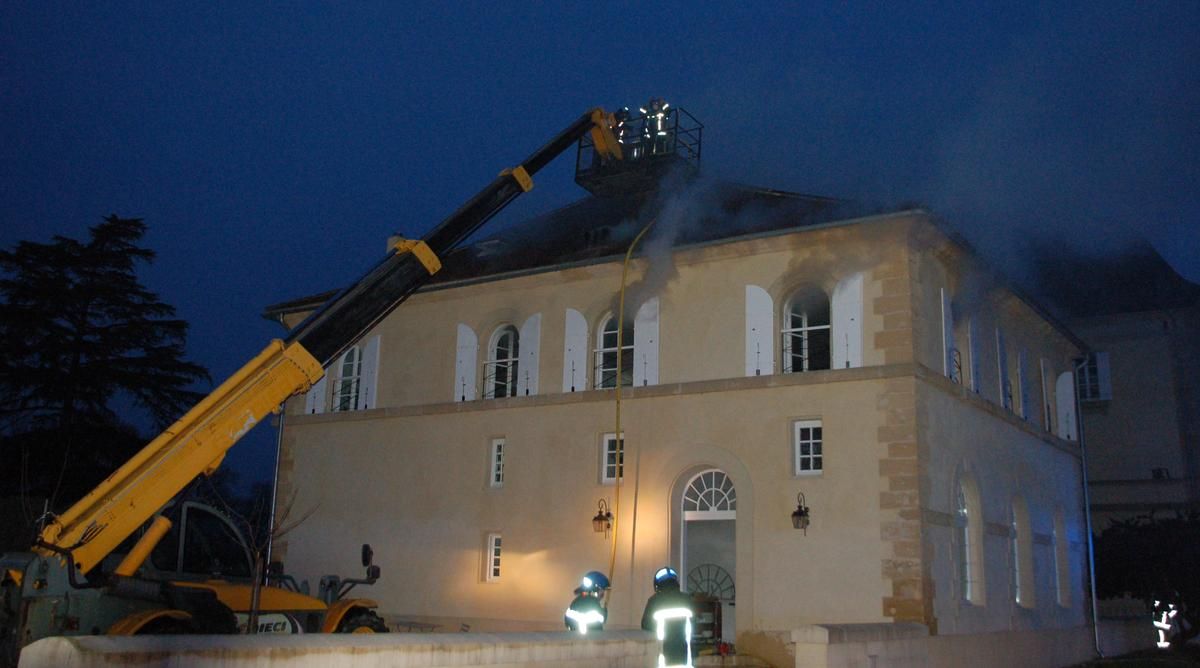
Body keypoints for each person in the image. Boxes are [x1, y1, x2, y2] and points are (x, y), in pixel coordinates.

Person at [640, 566, 694, 668]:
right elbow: (694, 622)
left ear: (658, 585)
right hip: (684, 652)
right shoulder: (687, 599)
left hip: (662, 652)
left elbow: (645, 625)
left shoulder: (654, 601)